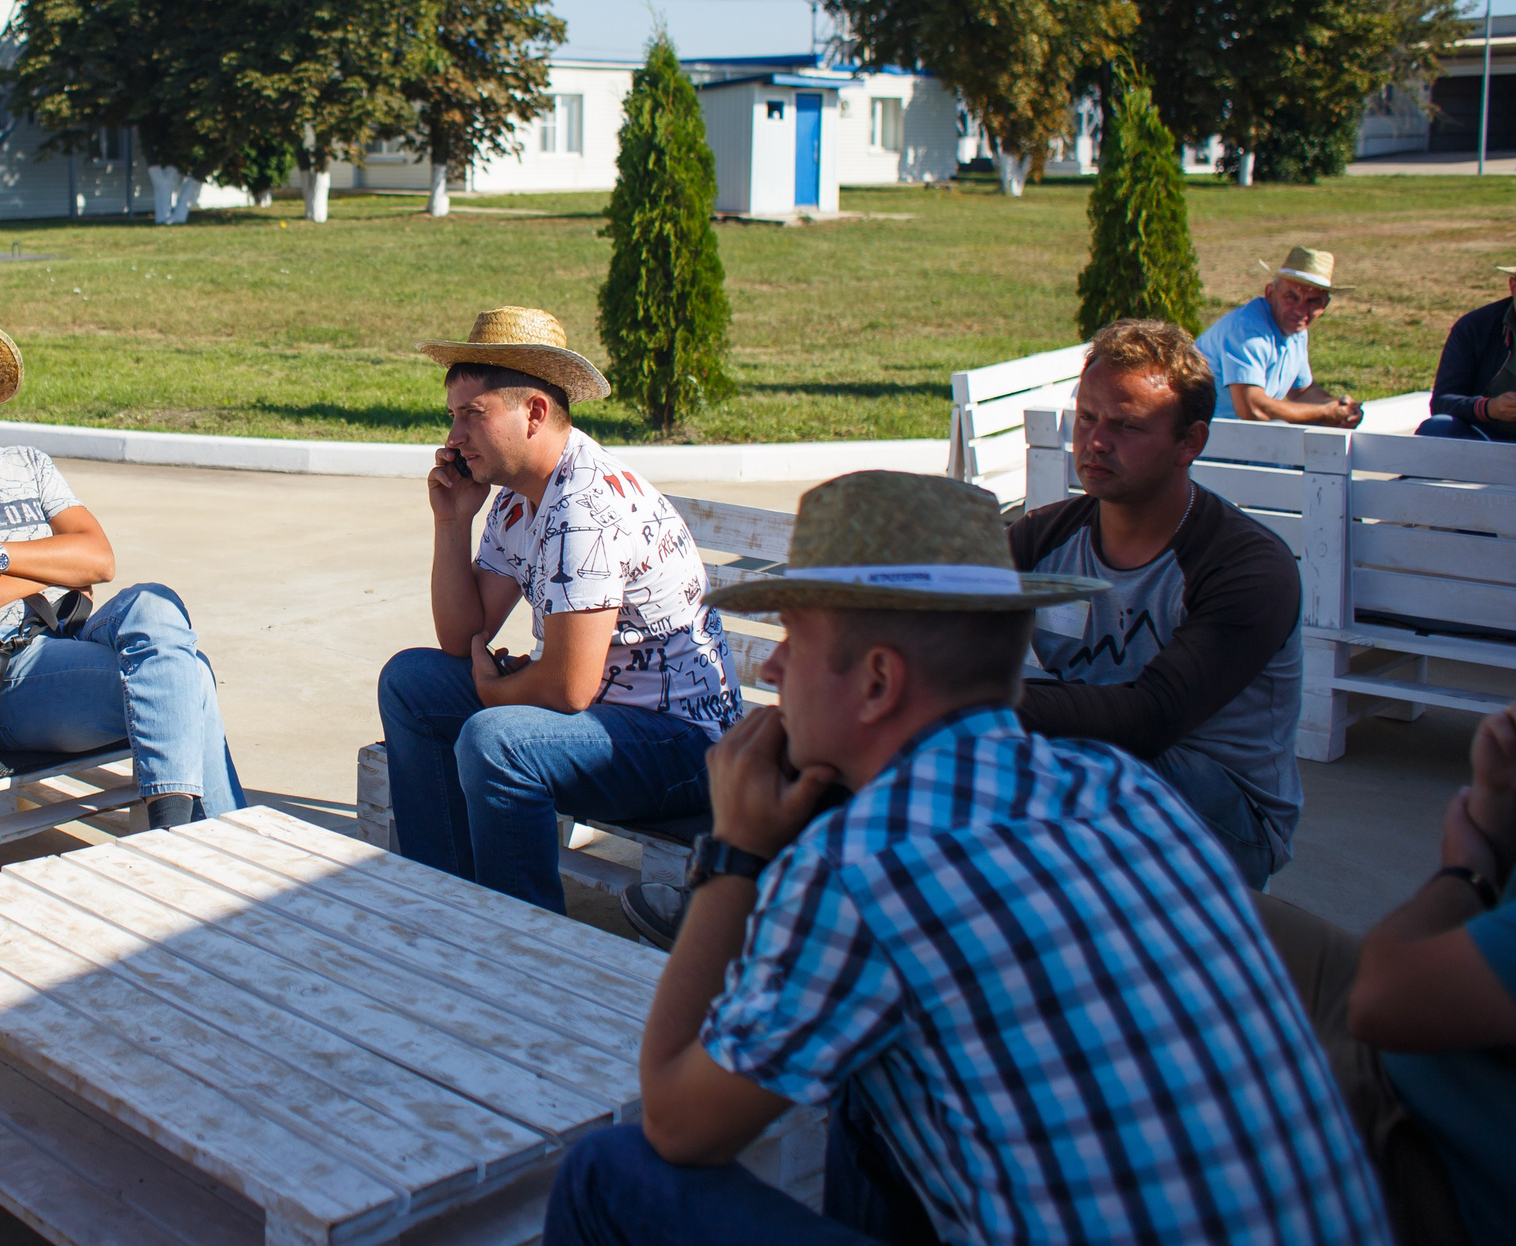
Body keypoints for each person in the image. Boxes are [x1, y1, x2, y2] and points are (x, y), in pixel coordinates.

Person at [543, 470, 1392, 1246]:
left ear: (878, 681)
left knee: (607, 1172)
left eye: (794, 637)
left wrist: (735, 853)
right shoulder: (1125, 790)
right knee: (879, 1076)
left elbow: (676, 1120)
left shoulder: (863, 865)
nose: (774, 663)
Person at [376, 307, 738, 919]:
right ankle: (448, 907)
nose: (454, 436)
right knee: (411, 682)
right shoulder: (517, 500)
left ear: (535, 413)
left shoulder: (584, 506)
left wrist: (499, 692)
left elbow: (567, 689)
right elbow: (463, 638)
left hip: (680, 746)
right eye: (452, 416)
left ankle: (522, 939)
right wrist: (452, 522)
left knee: (497, 741)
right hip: (604, 721)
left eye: (473, 414)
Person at [0, 308, 242, 830]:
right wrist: (55, 567)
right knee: (189, 675)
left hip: (71, 636)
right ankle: (203, 834)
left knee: (155, 603)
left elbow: (100, 559)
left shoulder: (30, 464)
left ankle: (183, 832)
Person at [1013, 318, 1303, 889]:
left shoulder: (1246, 566)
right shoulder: (1042, 538)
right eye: (1087, 417)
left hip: (1226, 817)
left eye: (1127, 426)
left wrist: (968, 702)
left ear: (1190, 442)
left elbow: (1151, 719)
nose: (1096, 441)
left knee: (1056, 761)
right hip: (1090, 771)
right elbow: (942, 631)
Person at [1258, 684, 1516, 1246]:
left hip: (1419, 1144)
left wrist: (1465, 873)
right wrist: (1510, 824)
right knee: (1184, 910)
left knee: (1161, 941)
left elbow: (1378, 1003)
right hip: (1442, 1040)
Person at [1195, 244, 1364, 428]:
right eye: (1291, 297)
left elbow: (1301, 392)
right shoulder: (1247, 331)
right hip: (1199, 437)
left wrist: (1340, 408)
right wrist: (1326, 413)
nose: (1300, 310)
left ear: (1325, 305)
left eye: (1313, 301)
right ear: (1269, 293)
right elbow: (1252, 409)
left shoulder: (1295, 330)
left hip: (1230, 436)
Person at [1419, 235, 1516, 444]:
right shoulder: (1476, 327)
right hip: (1484, 438)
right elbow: (1442, 402)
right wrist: (1489, 408)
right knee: (1438, 428)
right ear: (1513, 286)